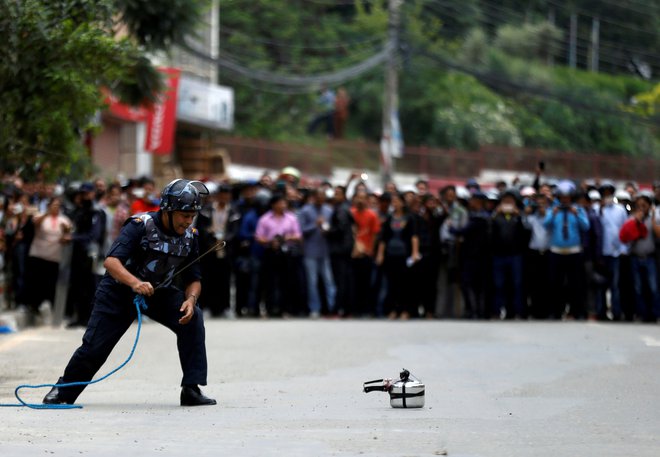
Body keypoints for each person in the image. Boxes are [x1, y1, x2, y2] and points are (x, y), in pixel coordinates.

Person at [43, 179, 216, 406]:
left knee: (193, 320)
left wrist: (191, 301)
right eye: (184, 215)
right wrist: (135, 283)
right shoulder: (139, 225)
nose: (188, 221)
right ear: (167, 210)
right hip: (119, 291)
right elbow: (112, 262)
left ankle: (191, 389)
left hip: (158, 292)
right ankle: (64, 390)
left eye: (192, 215)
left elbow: (194, 278)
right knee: (95, 347)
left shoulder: (190, 236)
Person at [544, 181, 590, 319]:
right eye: (562, 197)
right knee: (555, 284)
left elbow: (586, 227)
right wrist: (553, 213)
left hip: (573, 252)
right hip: (556, 251)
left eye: (567, 197)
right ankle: (555, 312)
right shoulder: (553, 209)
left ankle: (577, 312)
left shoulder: (578, 210)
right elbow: (545, 225)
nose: (565, 199)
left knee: (575, 284)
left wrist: (577, 214)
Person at [24, 197, 72, 317]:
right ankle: (33, 306)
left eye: (57, 205)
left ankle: (50, 307)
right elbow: (36, 223)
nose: (55, 207)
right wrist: (47, 213)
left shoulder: (64, 219)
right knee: (36, 282)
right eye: (53, 205)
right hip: (39, 254)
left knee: (50, 283)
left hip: (54, 256)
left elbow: (68, 234)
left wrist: (66, 233)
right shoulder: (40, 216)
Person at [375, 192, 420, 320]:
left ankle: (405, 310)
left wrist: (415, 252)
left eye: (396, 201)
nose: (394, 204)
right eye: (393, 202)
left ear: (402, 202)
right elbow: (384, 238)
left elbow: (414, 236)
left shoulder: (409, 218)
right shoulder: (390, 218)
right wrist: (380, 254)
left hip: (404, 254)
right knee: (392, 283)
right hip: (391, 253)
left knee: (404, 283)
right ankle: (394, 309)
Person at [619, 192, 660, 322]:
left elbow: (658, 235)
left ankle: (655, 314)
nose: (641, 208)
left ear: (649, 206)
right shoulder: (631, 219)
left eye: (644, 205)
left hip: (650, 257)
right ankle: (642, 314)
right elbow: (624, 238)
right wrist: (635, 221)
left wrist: (653, 220)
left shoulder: (654, 219)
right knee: (638, 288)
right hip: (635, 257)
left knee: (653, 287)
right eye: (639, 205)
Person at [299, 188, 336, 318]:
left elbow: (332, 228)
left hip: (324, 250)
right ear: (314, 197)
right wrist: (315, 225)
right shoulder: (305, 210)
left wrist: (328, 230)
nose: (321, 198)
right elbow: (301, 230)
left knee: (328, 281)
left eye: (323, 196)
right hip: (310, 251)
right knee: (312, 282)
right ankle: (315, 308)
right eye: (318, 196)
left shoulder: (329, 210)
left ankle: (332, 307)